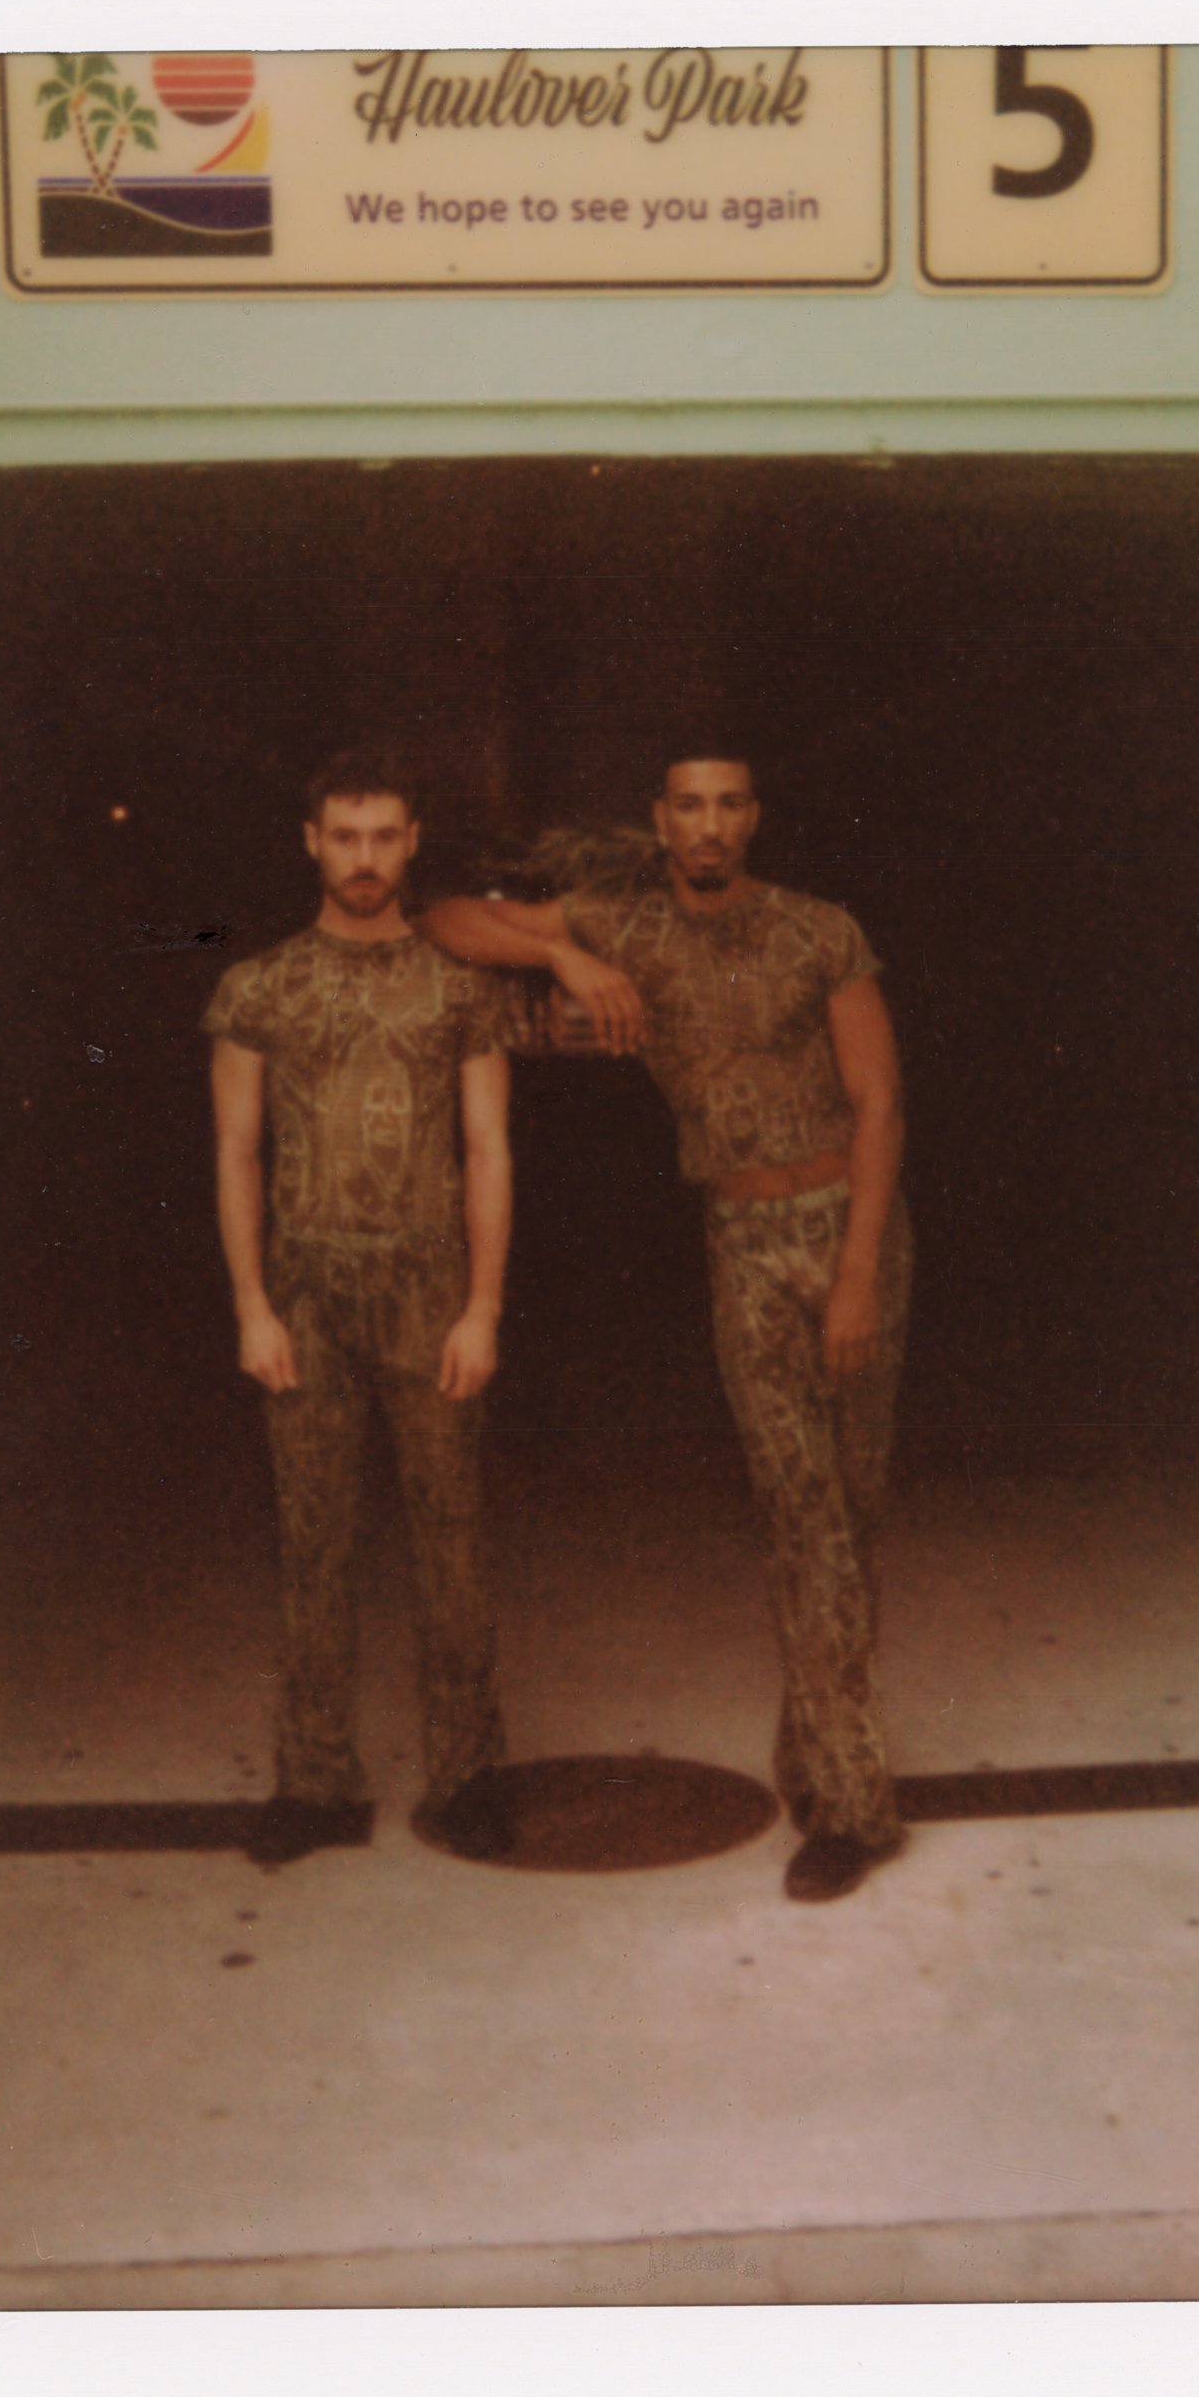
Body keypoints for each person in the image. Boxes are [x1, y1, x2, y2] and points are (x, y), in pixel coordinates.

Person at [423, 751, 911, 1902]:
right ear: (660, 822)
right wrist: (558, 950)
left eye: (729, 804)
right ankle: (853, 1807)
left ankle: (813, 1750)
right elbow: (445, 919)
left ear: (754, 817)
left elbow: (882, 1101)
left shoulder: (819, 930)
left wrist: (853, 1276)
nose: (708, 825)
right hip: (739, 1244)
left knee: (852, 1507)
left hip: (854, 1231)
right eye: (687, 806)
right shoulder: (624, 923)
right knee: (801, 1513)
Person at [206, 752, 518, 1868]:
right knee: (314, 1542)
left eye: (385, 837)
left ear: (414, 840)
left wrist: (482, 1306)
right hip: (306, 1293)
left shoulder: (460, 986)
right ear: (311, 842)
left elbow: (488, 1148)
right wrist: (251, 1304)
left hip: (430, 1289)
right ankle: (317, 1781)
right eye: (346, 837)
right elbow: (238, 1152)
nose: (366, 859)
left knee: (452, 1539)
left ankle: (471, 1773)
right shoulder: (257, 986)